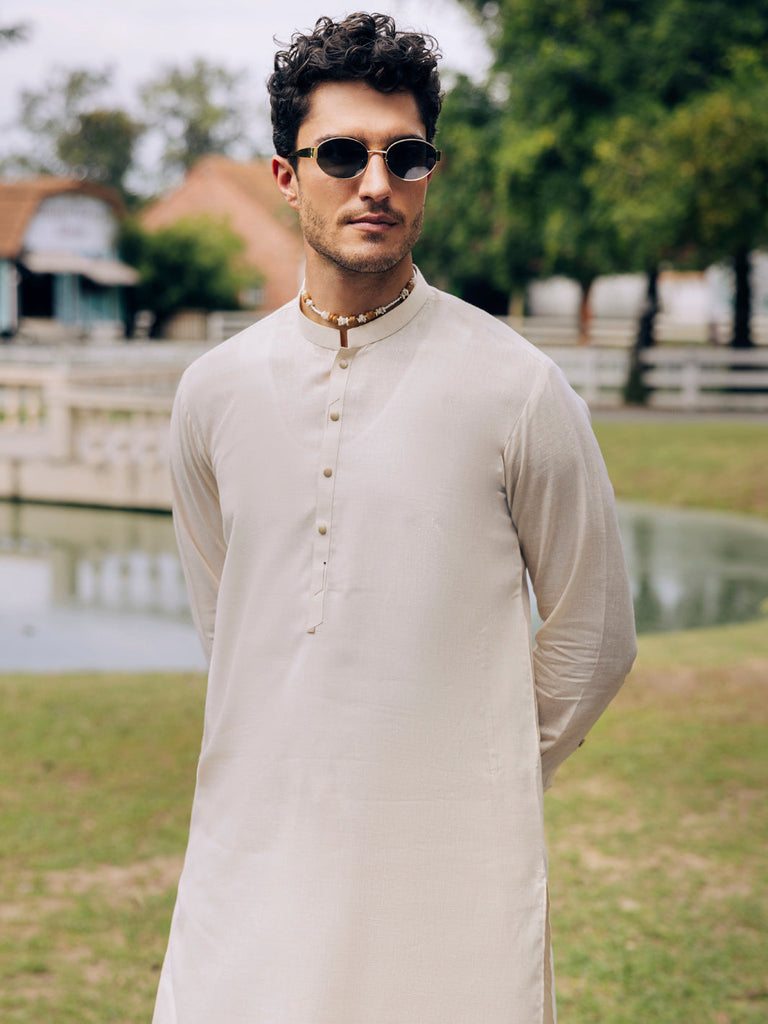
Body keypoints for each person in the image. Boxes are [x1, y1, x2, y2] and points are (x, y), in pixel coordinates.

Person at [154, 12, 637, 1024]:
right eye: (342, 154)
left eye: (404, 156)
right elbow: (229, 628)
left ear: (428, 173)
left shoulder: (517, 387)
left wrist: (476, 766)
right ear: (287, 175)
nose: (375, 182)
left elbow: (594, 632)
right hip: (253, 856)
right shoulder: (213, 394)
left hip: (449, 863)